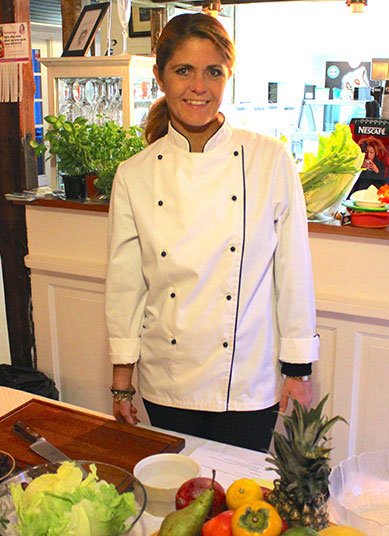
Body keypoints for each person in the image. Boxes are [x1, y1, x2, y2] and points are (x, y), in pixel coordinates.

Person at [104, 13, 319, 452]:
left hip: (246, 382)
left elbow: (293, 269)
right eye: (183, 70)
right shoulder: (134, 174)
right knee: (176, 485)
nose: (199, 87)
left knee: (240, 492)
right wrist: (122, 381)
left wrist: (298, 369)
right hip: (167, 377)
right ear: (160, 77)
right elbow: (126, 285)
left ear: (228, 77)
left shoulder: (269, 160)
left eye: (213, 72)